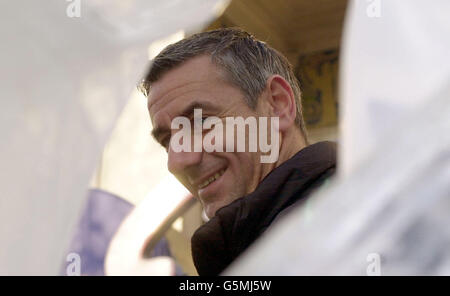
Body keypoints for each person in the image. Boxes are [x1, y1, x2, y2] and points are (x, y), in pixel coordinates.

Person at [141, 28, 336, 275]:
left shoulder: (349, 230)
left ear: (277, 105)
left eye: (200, 121)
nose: (179, 160)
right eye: (167, 140)